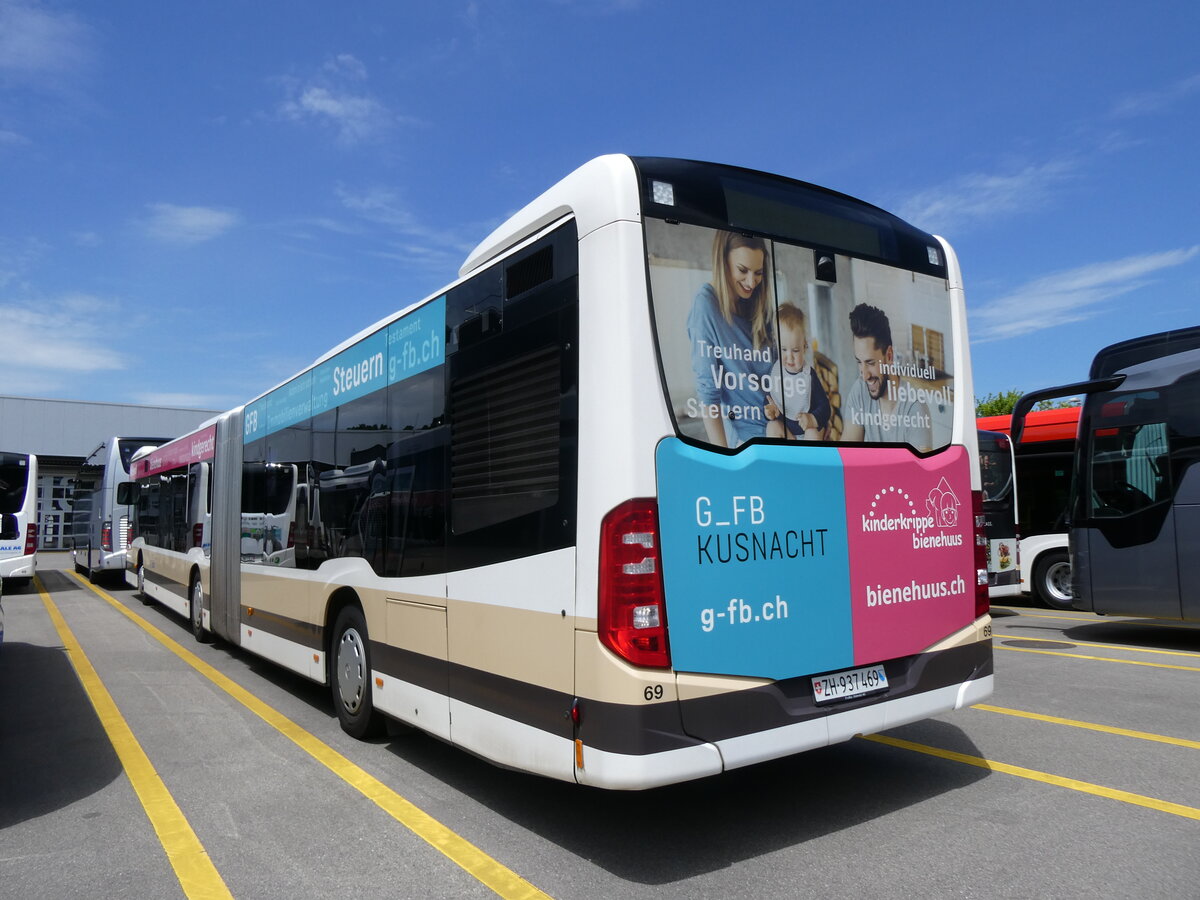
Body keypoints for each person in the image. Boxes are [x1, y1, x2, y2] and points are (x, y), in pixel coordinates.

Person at [687, 231, 775, 447]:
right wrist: (724, 459)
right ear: (723, 261)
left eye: (759, 273)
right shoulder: (706, 305)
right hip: (745, 442)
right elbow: (709, 394)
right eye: (742, 270)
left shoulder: (760, 307)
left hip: (782, 431)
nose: (751, 282)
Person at [841, 302, 932, 451]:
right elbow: (848, 453)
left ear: (889, 355)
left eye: (870, 363)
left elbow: (919, 471)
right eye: (859, 362)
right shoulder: (860, 390)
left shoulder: (914, 406)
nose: (865, 376)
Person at [764, 303, 829, 440]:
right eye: (784, 349)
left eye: (795, 350)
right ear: (777, 345)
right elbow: (769, 399)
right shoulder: (775, 372)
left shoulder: (809, 375)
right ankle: (782, 460)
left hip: (805, 435)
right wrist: (770, 411)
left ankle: (809, 461)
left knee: (812, 433)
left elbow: (825, 407)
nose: (789, 356)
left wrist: (812, 419)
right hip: (788, 434)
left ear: (804, 347)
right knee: (772, 426)